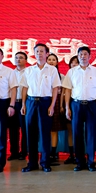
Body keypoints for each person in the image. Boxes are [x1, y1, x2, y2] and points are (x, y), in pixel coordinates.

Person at [63, 46, 96, 172]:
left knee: (91, 134)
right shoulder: (72, 72)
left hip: (92, 105)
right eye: (80, 54)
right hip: (76, 104)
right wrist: (67, 107)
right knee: (77, 133)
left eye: (85, 54)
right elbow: (67, 90)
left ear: (90, 56)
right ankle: (80, 162)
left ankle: (91, 162)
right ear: (78, 56)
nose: (83, 56)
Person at [20, 44, 61, 172]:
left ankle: (45, 163)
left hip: (45, 102)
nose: (39, 53)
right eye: (37, 51)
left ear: (47, 53)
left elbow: (55, 89)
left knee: (44, 134)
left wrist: (52, 105)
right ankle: (32, 163)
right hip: (31, 102)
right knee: (30, 133)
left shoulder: (52, 70)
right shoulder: (29, 70)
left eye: (42, 51)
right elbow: (24, 88)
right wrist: (23, 104)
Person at [8, 51, 28, 161]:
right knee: (12, 129)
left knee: (25, 129)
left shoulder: (29, 72)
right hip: (12, 103)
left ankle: (24, 152)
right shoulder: (10, 73)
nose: (18, 60)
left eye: (21, 57)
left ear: (26, 60)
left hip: (24, 103)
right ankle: (14, 152)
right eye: (16, 58)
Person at [47, 53, 66, 165]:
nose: (51, 61)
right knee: (45, 129)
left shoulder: (61, 76)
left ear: (57, 62)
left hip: (57, 101)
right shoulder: (42, 73)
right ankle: (46, 152)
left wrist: (61, 105)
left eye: (53, 60)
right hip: (45, 100)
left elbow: (62, 92)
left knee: (54, 129)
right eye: (49, 59)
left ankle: (54, 153)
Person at [61, 55, 80, 164]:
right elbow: (64, 92)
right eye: (72, 62)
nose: (74, 64)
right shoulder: (68, 75)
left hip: (79, 104)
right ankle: (72, 154)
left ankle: (80, 154)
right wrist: (63, 106)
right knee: (70, 131)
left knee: (79, 131)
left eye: (76, 62)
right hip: (69, 104)